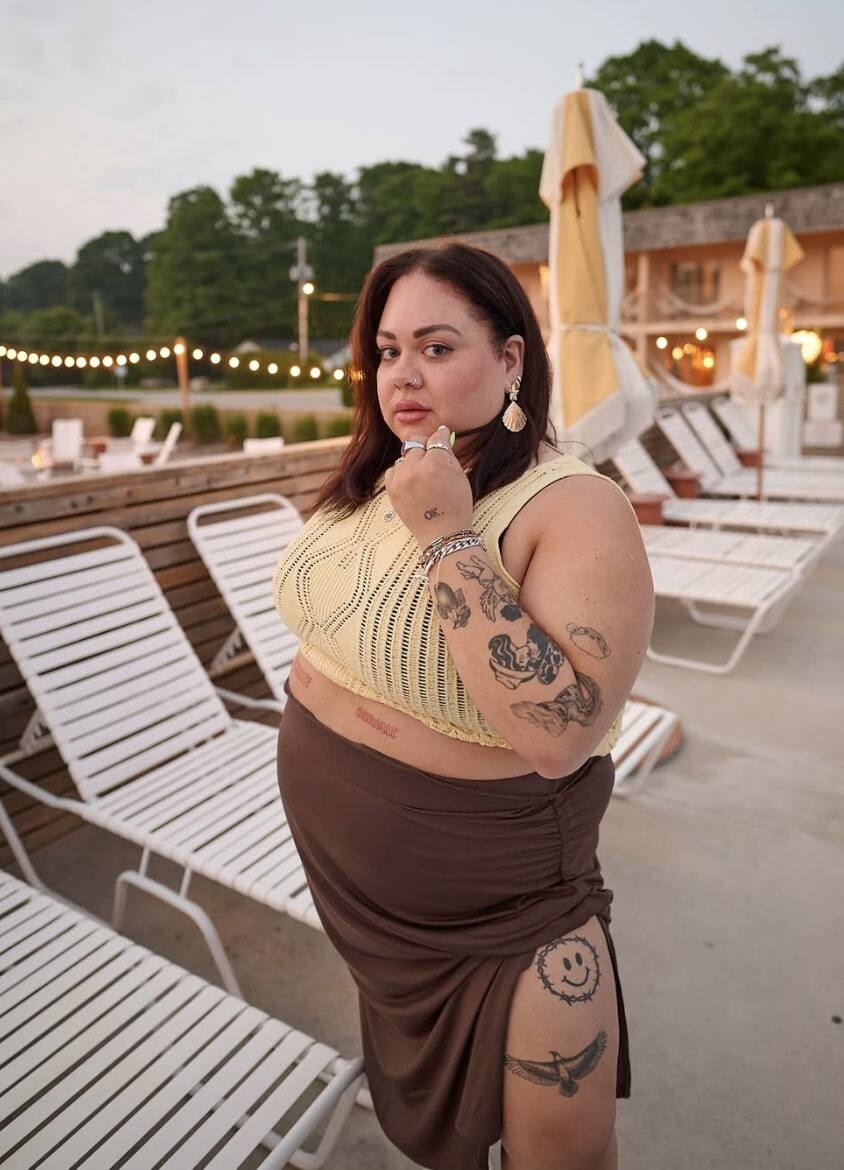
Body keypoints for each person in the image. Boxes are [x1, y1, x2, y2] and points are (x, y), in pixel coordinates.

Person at [273, 242, 654, 1170]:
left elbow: (560, 735)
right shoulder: (383, 473)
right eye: (387, 351)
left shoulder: (574, 506)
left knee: (561, 1153)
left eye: (437, 348)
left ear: (511, 358)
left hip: (502, 909)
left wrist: (447, 532)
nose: (402, 375)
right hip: (362, 898)